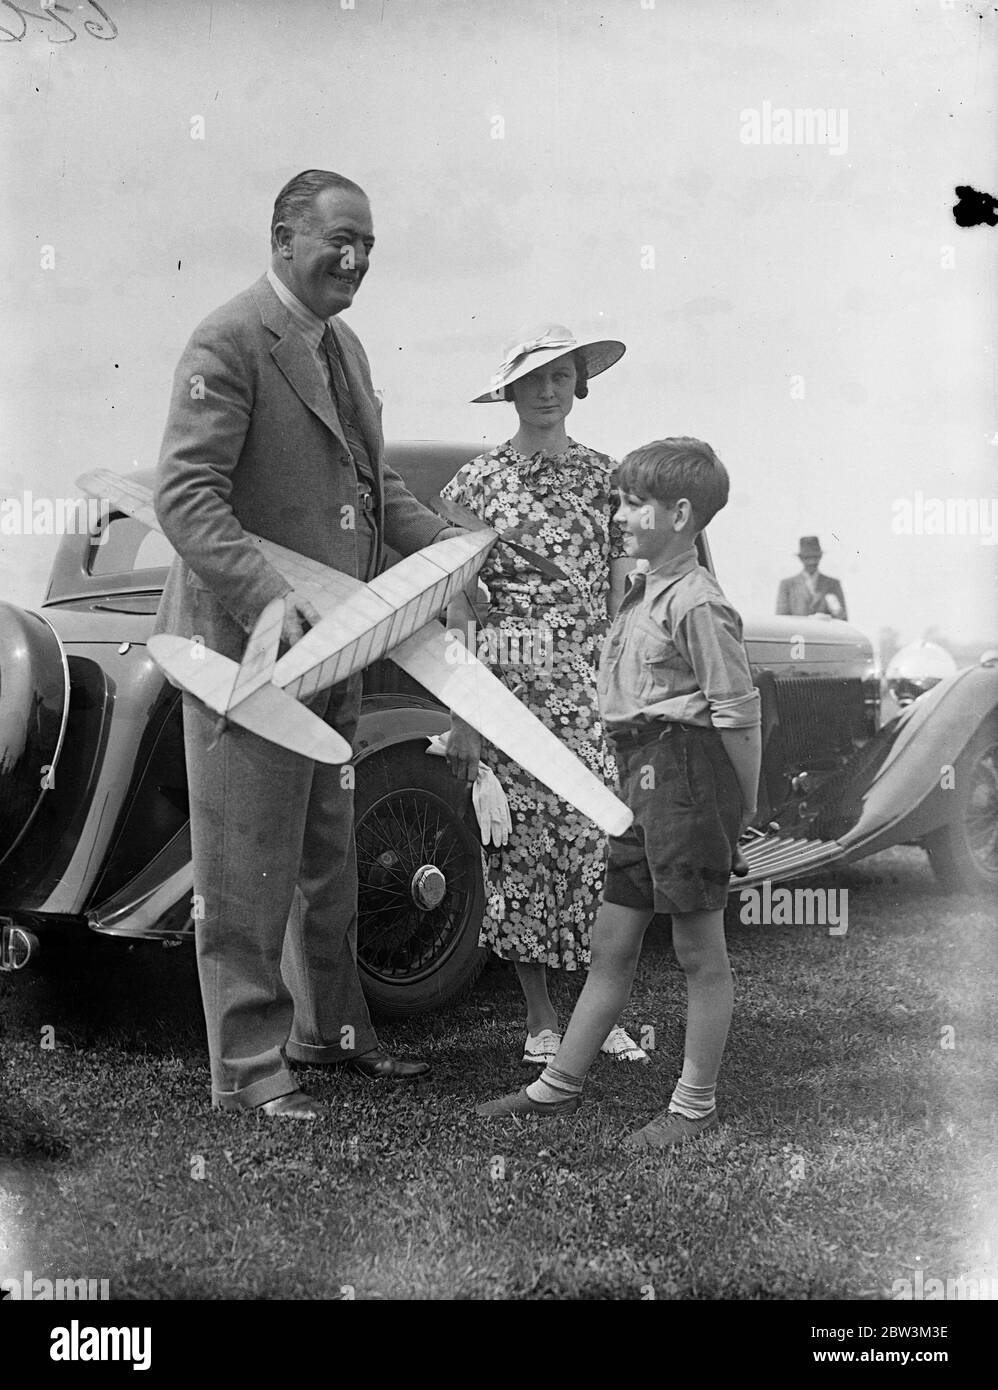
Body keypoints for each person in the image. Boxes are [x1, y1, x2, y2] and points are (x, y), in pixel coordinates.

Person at [154, 169, 463, 1119]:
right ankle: (246, 1077)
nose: (357, 259)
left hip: (338, 650)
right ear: (282, 237)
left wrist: (450, 550)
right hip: (246, 658)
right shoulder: (230, 336)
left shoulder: (346, 348)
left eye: (369, 244)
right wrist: (269, 602)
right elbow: (185, 496)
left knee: (327, 857)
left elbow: (377, 494)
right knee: (245, 872)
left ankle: (327, 1038)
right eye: (339, 239)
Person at [476, 438, 762, 1150]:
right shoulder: (643, 594)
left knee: (699, 952)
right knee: (612, 943)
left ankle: (694, 1110)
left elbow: (739, 716)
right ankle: (558, 1085)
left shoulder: (698, 603)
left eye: (636, 502)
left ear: (682, 513)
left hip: (688, 780)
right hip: (637, 781)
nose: (620, 513)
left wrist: (740, 814)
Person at [441, 324, 647, 1066]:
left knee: (597, 851)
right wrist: (465, 707)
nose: (550, 391)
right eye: (535, 379)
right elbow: (459, 604)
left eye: (562, 377)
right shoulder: (476, 484)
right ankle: (540, 1023)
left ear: (578, 385)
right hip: (511, 683)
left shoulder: (609, 478)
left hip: (591, 686)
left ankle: (601, 1012)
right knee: (521, 852)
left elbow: (626, 590)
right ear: (512, 391)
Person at [776, 536, 848, 619]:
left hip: (824, 631)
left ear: (820, 557)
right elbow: (781, 619)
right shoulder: (787, 585)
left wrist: (836, 612)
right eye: (807, 558)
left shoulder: (833, 584)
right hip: (796, 631)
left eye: (815, 557)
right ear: (801, 559)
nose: (812, 561)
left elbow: (842, 620)